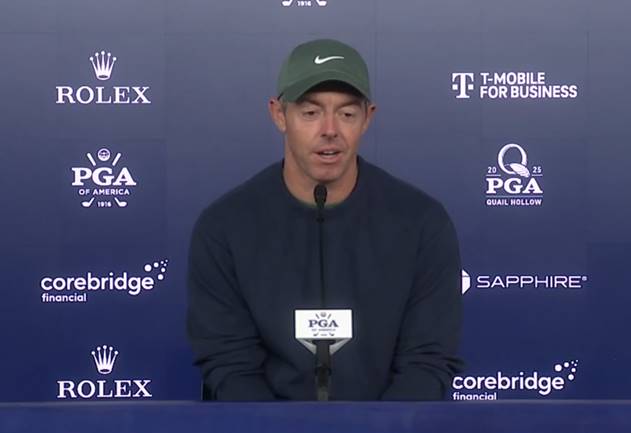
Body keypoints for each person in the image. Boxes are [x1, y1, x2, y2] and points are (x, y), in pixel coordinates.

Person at [187, 38, 463, 401]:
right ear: (279, 114)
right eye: (310, 113)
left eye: (347, 114)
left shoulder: (422, 223)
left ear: (368, 118)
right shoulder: (224, 227)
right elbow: (231, 365)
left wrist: (381, 427)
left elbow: (426, 364)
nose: (330, 129)